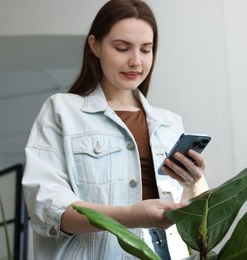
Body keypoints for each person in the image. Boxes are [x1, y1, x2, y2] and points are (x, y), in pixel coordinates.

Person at [21, 0, 209, 259]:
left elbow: (194, 219)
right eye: (122, 48)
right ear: (95, 45)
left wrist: (195, 181)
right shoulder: (62, 111)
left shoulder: (170, 123)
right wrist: (128, 217)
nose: (135, 61)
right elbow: (48, 209)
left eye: (146, 49)